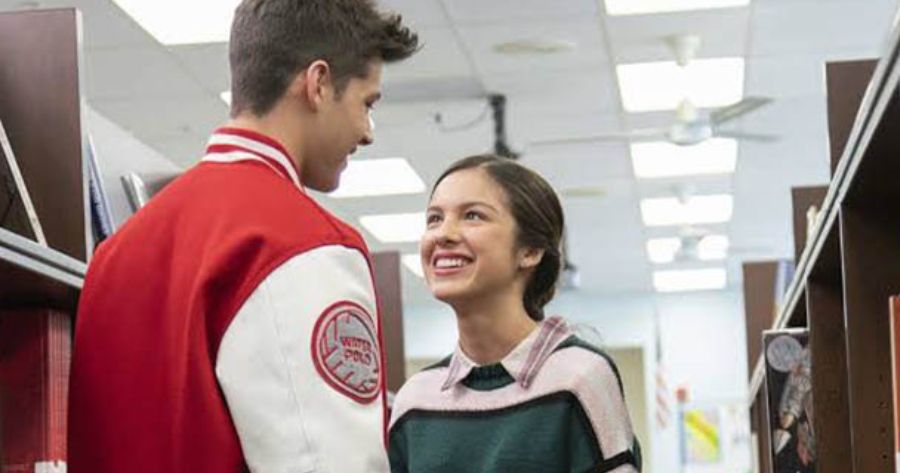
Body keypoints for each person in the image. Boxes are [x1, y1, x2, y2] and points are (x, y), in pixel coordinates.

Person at [68, 1, 418, 471]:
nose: (367, 131)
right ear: (318, 84)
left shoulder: (116, 250)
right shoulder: (301, 243)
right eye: (367, 104)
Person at [388, 155, 642, 473]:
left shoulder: (578, 378)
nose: (443, 234)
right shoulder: (415, 400)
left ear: (530, 250)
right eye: (434, 219)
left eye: (472, 215)